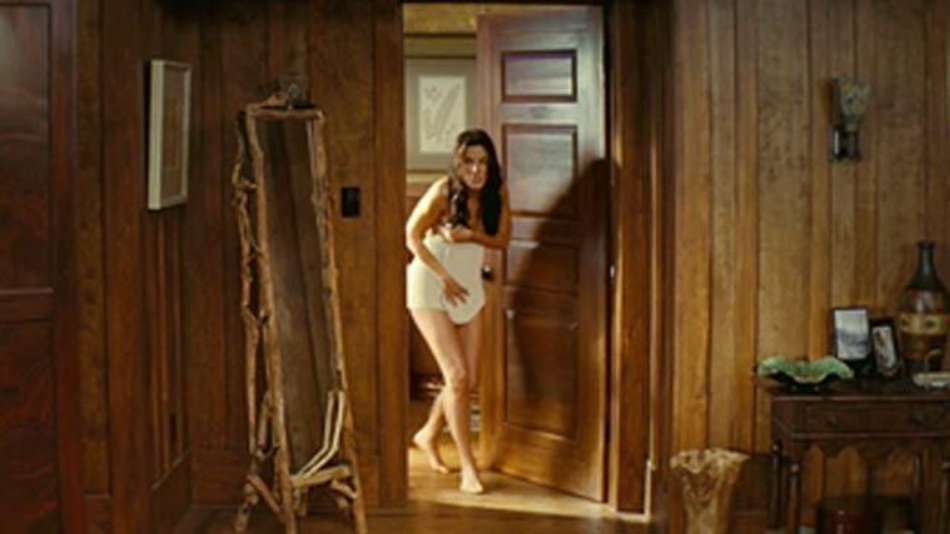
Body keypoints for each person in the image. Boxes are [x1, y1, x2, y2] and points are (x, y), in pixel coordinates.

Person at [405, 129, 511, 494]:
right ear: (458, 163)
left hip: (469, 289)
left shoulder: (497, 194)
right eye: (469, 162)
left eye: (483, 162)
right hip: (432, 285)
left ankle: (428, 433)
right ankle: (469, 467)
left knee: (465, 381)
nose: (476, 170)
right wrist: (444, 277)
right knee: (457, 376)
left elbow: (502, 240)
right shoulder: (442, 191)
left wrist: (470, 236)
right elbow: (411, 235)